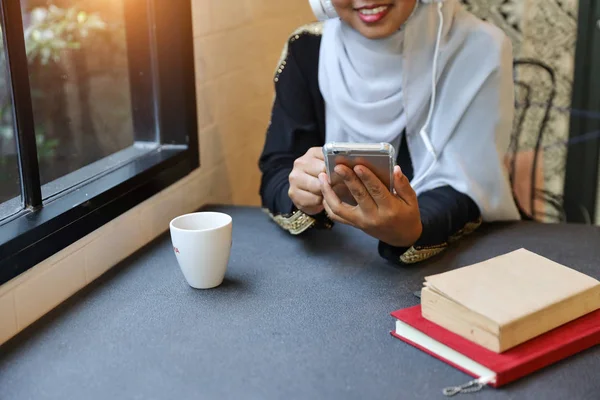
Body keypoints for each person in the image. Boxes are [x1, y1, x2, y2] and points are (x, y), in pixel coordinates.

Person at [258, 0, 520, 265]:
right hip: (338, 261)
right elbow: (278, 169)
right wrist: (302, 192)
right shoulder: (307, 49)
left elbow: (472, 182)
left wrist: (414, 227)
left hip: (458, 261)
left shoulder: (477, 48)